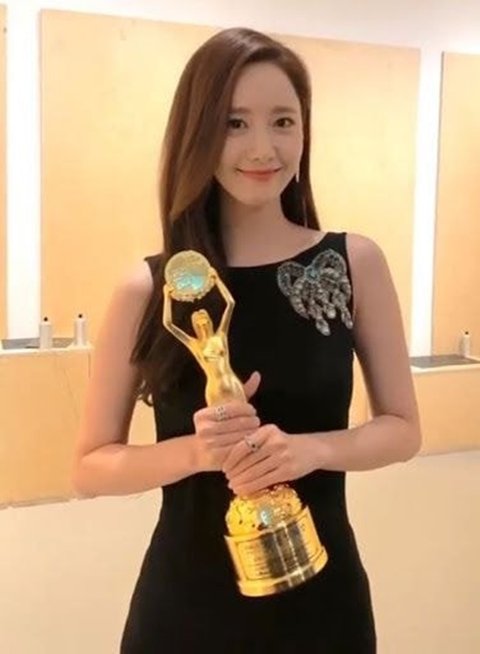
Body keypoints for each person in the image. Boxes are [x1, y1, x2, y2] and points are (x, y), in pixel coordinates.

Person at [72, 26, 422, 653]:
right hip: (185, 611)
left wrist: (309, 450)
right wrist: (197, 452)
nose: (263, 147)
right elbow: (90, 466)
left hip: (322, 604)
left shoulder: (354, 263)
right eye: (235, 124)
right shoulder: (150, 288)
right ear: (198, 133)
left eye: (283, 121)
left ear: (304, 132)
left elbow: (402, 428)